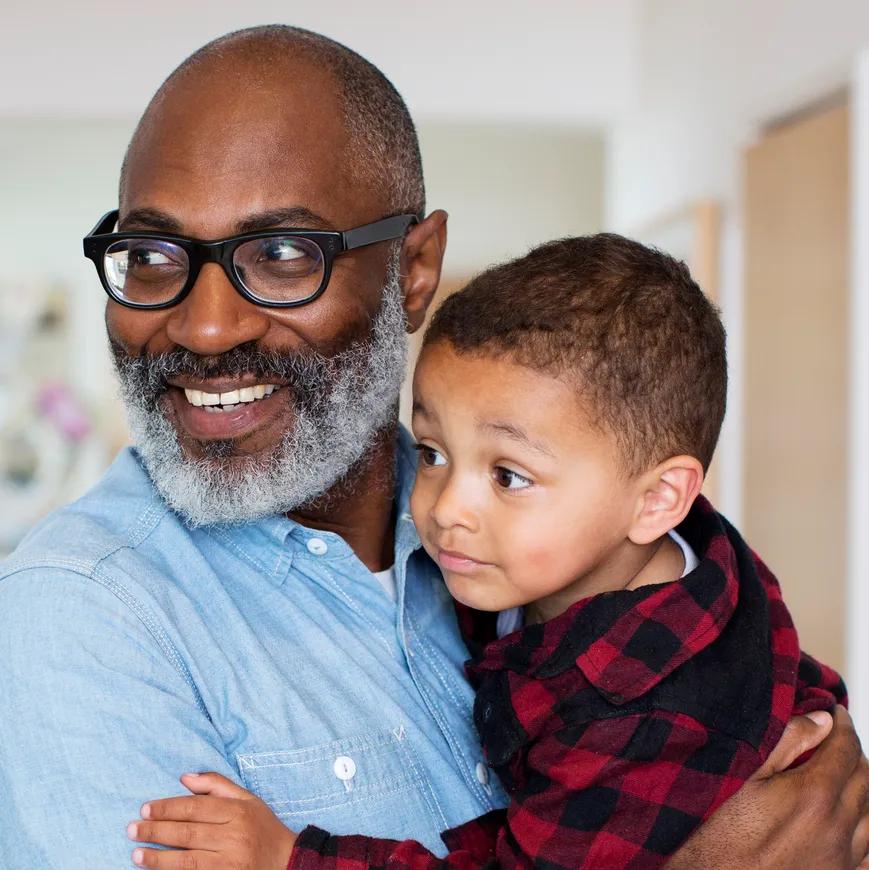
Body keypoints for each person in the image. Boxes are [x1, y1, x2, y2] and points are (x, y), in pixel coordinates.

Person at [0, 25, 865, 870]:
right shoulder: (79, 614)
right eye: (150, 254)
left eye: (283, 253)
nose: (207, 325)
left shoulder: (549, 541)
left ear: (413, 272)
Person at [127, 234, 847, 869]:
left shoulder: (640, 719)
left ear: (657, 499)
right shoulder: (626, 554)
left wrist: (292, 858)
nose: (445, 508)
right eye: (434, 452)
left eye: (508, 475)